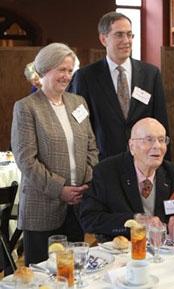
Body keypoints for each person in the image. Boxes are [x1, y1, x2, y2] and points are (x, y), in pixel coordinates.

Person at [11, 43, 98, 265]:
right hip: (42, 207)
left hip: (77, 205)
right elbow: (26, 161)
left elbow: (91, 146)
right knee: (42, 275)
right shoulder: (27, 107)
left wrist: (85, 181)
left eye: (70, 70)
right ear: (44, 70)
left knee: (74, 269)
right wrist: (60, 190)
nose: (67, 76)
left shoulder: (78, 102)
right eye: (61, 69)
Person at [80, 118, 174, 241]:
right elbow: (89, 218)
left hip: (167, 253)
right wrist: (135, 220)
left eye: (161, 140)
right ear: (132, 146)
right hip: (126, 253)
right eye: (149, 140)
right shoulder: (106, 172)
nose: (157, 146)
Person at [69, 11, 169, 160]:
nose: (126, 40)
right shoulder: (85, 77)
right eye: (119, 35)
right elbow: (79, 126)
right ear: (104, 39)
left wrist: (165, 166)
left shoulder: (151, 74)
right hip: (102, 162)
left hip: (144, 161)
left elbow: (161, 121)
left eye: (129, 35)